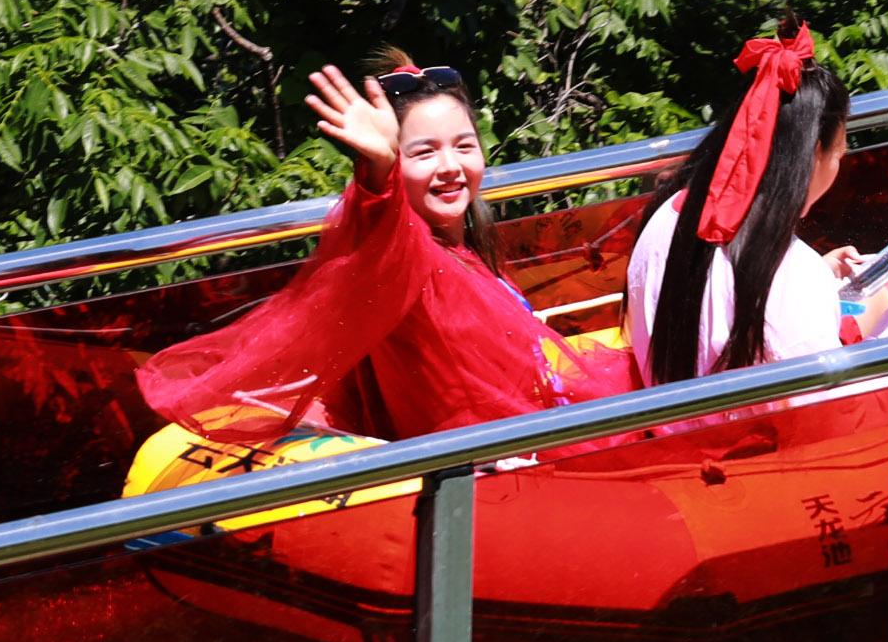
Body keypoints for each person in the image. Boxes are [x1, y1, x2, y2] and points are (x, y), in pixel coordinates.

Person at [137, 56, 579, 443]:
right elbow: (378, 219)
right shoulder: (405, 255)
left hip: (521, 437)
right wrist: (379, 167)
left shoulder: (466, 252)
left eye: (464, 147)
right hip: (475, 471)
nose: (450, 167)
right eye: (423, 153)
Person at [627, 11, 866, 383]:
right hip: (760, 441)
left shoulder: (664, 217)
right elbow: (825, 413)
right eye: (839, 152)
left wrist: (819, 271)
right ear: (815, 153)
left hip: (674, 432)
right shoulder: (793, 275)